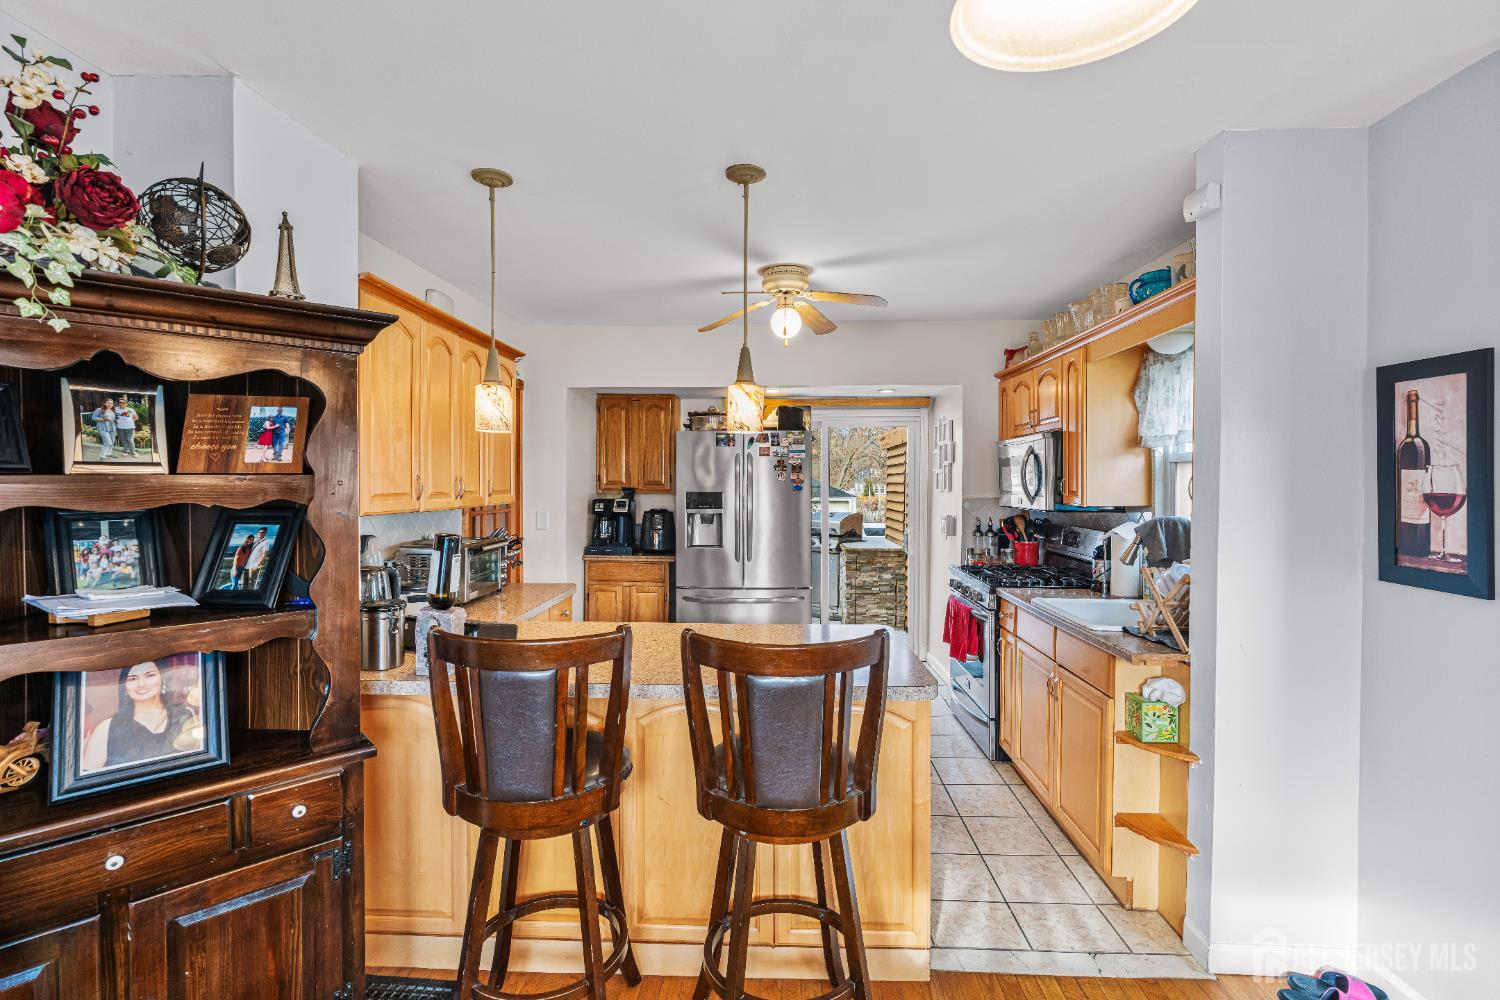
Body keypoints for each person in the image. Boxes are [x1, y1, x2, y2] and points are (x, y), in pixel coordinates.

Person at [80, 661, 192, 772]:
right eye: (133, 678)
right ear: (125, 687)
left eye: (150, 675)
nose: (141, 684)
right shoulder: (107, 729)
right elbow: (85, 783)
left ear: (163, 679)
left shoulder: (184, 716)